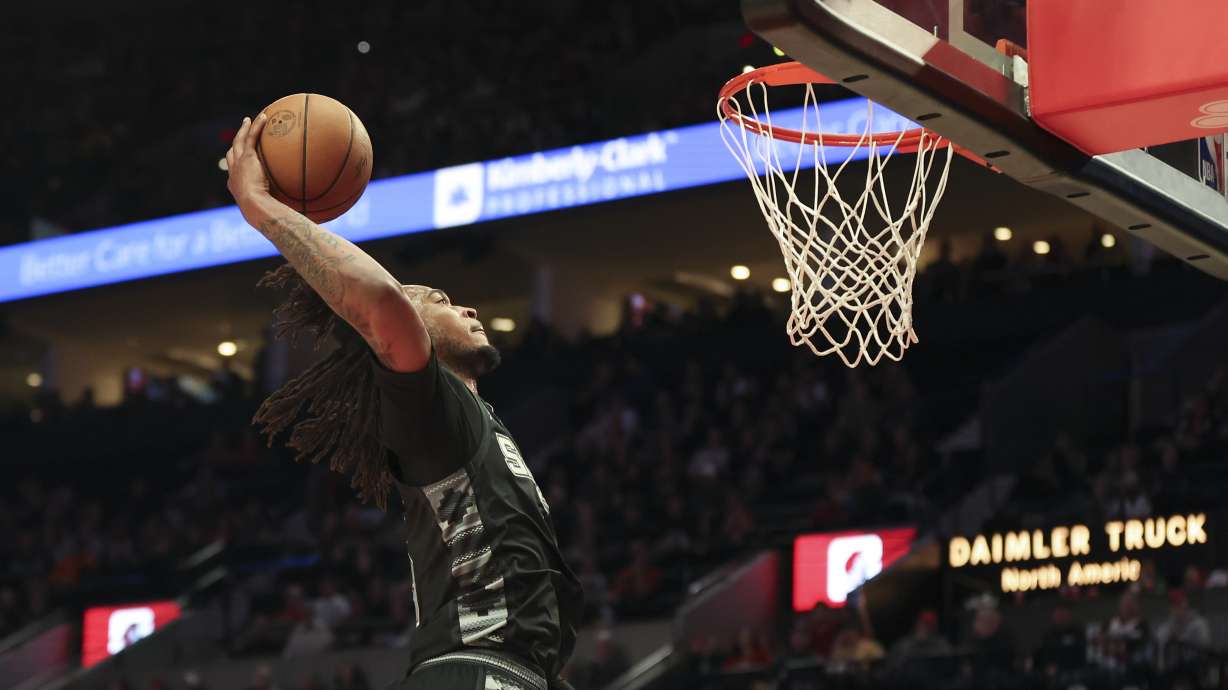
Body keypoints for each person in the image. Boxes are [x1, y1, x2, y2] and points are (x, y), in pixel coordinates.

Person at [225, 115, 582, 690]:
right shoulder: (429, 409)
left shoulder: (471, 421)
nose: (467, 308)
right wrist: (259, 205)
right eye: (439, 299)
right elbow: (380, 303)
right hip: (475, 670)